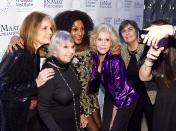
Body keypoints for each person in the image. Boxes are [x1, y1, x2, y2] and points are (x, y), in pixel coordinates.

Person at [0, 11, 55, 131]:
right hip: (12, 119)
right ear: (32, 29)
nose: (50, 32)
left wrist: (33, 96)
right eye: (44, 28)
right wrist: (36, 83)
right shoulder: (18, 52)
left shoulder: (34, 51)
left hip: (26, 115)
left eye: (50, 28)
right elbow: (2, 89)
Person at [54, 10, 101, 131]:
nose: (80, 33)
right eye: (75, 29)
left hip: (91, 96)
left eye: (82, 29)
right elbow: (35, 46)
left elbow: (107, 44)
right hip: (77, 100)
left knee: (100, 127)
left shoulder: (88, 45)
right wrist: (15, 37)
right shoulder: (59, 50)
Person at [88, 23, 138, 131]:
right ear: (94, 41)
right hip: (111, 96)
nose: (103, 44)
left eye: (107, 40)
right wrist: (94, 71)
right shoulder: (94, 58)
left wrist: (114, 116)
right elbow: (93, 88)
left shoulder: (115, 61)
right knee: (105, 128)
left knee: (114, 128)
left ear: (111, 43)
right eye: (100, 39)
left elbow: (120, 91)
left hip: (126, 98)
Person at [38, 30, 85, 131]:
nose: (71, 51)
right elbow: (42, 110)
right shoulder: (48, 72)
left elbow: (74, 95)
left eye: (72, 47)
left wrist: (81, 114)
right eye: (65, 47)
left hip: (75, 126)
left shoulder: (69, 65)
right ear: (54, 50)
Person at [119, 20, 153, 131]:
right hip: (132, 96)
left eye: (130, 29)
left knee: (154, 124)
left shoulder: (147, 47)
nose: (127, 33)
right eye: (123, 31)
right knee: (132, 126)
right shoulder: (121, 50)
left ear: (137, 31)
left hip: (150, 94)